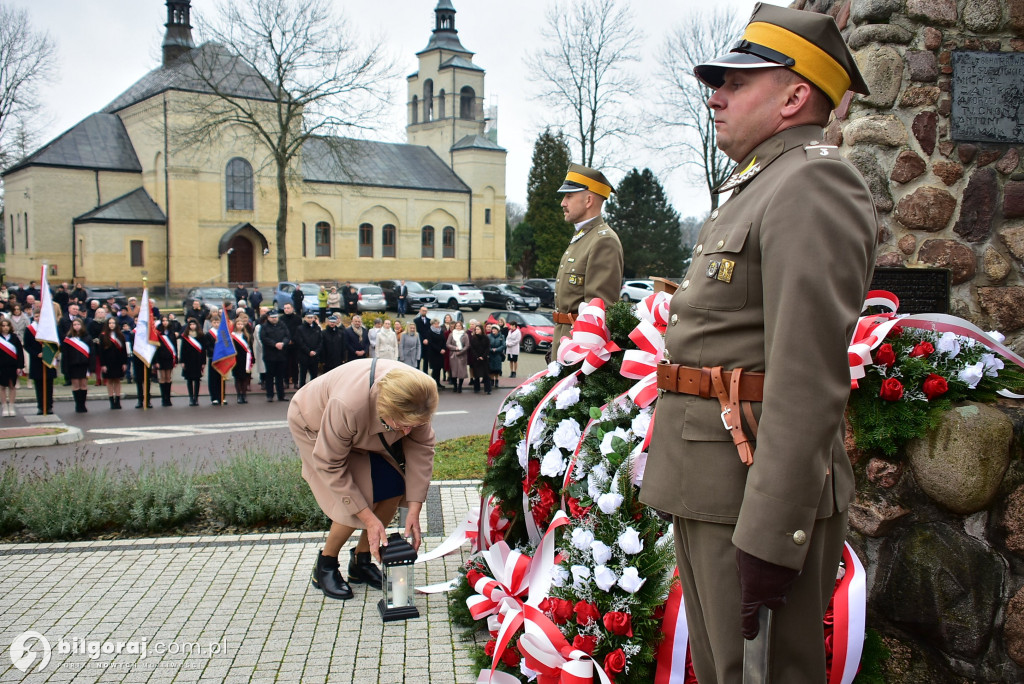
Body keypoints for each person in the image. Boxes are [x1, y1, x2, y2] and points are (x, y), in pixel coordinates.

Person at [639, 6, 877, 682]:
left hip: (750, 495)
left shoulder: (812, 182)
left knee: (759, 674)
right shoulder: (762, 183)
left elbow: (808, 377)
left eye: (737, 82)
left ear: (795, 96)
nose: (715, 96)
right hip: (712, 479)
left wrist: (774, 536)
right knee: (722, 670)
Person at [289, 359, 438, 600]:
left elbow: (421, 448)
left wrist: (414, 508)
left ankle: (361, 561)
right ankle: (325, 564)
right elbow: (330, 464)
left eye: (414, 425)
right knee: (356, 495)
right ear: (385, 408)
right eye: (403, 426)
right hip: (316, 425)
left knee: (393, 486)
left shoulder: (417, 395)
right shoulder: (348, 405)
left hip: (366, 427)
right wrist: (369, 519)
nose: (407, 433)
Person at [551, 163, 624, 358]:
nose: (563, 203)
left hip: (579, 352)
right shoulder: (583, 237)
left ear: (589, 200)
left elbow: (600, 313)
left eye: (569, 196)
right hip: (564, 344)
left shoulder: (603, 240)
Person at [24, 308, 56, 415]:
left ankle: (49, 406)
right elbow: (27, 345)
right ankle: (41, 407)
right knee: (39, 385)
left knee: (49, 384)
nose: (38, 318)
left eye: (40, 316)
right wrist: (36, 354)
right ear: (34, 317)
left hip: (48, 358)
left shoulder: (50, 328)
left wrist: (47, 353)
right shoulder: (29, 329)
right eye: (36, 316)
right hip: (36, 360)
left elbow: (54, 342)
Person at [62, 318, 93, 413]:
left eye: (78, 324)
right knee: (76, 385)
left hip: (84, 365)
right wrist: (65, 368)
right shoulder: (68, 339)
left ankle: (83, 405)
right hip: (73, 365)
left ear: (82, 325)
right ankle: (77, 405)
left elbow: (92, 353)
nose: (76, 326)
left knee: (83, 385)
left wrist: (91, 367)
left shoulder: (87, 338)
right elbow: (65, 355)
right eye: (74, 324)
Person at [259, 309, 289, 402]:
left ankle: (281, 395)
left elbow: (287, 336)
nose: (274, 319)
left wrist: (283, 343)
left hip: (281, 355)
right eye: (272, 317)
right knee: (270, 376)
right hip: (270, 355)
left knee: (280, 376)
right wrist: (274, 344)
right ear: (268, 318)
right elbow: (263, 338)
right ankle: (270, 395)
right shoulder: (264, 327)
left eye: (275, 317)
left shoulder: (282, 325)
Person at [98, 316, 128, 410]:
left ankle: (118, 400)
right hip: (107, 362)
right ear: (107, 324)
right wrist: (103, 364)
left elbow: (124, 351)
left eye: (113, 323)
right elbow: (101, 352)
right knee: (110, 381)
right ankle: (111, 400)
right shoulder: (103, 336)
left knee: (117, 380)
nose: (111, 325)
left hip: (118, 362)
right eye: (110, 323)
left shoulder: (120, 336)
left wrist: (124, 363)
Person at [0, 318, 25, 416]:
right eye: (3, 325)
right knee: (2, 386)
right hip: (1, 366)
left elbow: (20, 353)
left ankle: (11, 405)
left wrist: (20, 366)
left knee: (12, 386)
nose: (5, 328)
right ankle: (4, 406)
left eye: (7, 325)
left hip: (13, 366)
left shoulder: (14, 337)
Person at [180, 318, 206, 407]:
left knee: (197, 379)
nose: (192, 326)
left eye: (194, 324)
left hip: (198, 360)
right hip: (188, 361)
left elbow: (203, 350)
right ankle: (191, 397)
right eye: (190, 324)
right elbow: (182, 349)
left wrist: (203, 362)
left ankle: (196, 398)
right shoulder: (185, 336)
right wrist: (182, 361)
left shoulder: (201, 335)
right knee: (189, 379)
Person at [153, 316, 178, 407]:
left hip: (169, 358)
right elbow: (155, 348)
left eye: (166, 320)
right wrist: (156, 361)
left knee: (168, 377)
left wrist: (176, 359)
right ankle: (163, 398)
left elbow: (175, 347)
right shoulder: (158, 334)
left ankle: (168, 398)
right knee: (162, 378)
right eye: (163, 320)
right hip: (160, 358)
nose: (165, 322)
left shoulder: (171, 333)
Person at [295, 311, 323, 387]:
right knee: (303, 376)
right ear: (305, 318)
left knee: (314, 376)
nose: (310, 319)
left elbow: (321, 341)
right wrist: (308, 351)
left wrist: (316, 351)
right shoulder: (300, 328)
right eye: (308, 318)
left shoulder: (317, 328)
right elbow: (300, 342)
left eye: (312, 317)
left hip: (315, 356)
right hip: (304, 356)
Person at [231, 316, 254, 404]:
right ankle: (239, 395)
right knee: (237, 378)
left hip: (245, 359)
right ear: (235, 325)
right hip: (236, 358)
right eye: (238, 324)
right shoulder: (232, 336)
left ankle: (244, 395)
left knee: (245, 377)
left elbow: (250, 348)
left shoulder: (246, 336)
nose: (240, 326)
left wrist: (253, 358)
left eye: (241, 324)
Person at [205, 309, 225, 406]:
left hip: (222, 358)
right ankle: (214, 397)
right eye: (214, 322)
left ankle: (222, 396)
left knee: (221, 377)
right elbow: (208, 346)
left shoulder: (223, 334)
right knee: (213, 378)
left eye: (218, 322)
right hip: (213, 358)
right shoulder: (209, 334)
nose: (216, 324)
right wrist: (216, 352)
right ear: (211, 323)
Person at [280, 302, 301, 388]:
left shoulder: (297, 319)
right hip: (285, 345)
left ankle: (296, 381)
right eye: (285, 308)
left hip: (295, 345)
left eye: (288, 308)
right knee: (285, 364)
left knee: (295, 364)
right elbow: (281, 331)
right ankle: (286, 381)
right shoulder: (281, 319)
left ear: (292, 309)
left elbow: (299, 331)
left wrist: (293, 340)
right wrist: (286, 340)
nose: (286, 310)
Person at [445, 320, 468, 393]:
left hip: (462, 355)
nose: (458, 327)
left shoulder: (465, 335)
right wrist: (455, 348)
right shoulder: (451, 334)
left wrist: (461, 351)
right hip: (453, 355)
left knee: (461, 371)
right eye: (457, 326)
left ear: (462, 327)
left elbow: (467, 345)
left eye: (459, 326)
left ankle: (460, 386)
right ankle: (455, 386)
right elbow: (448, 344)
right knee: (453, 371)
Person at [424, 318, 446, 391]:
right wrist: (439, 350)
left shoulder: (441, 331)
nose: (437, 325)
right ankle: (433, 383)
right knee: (435, 368)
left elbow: (443, 340)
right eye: (435, 324)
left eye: (438, 323)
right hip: (433, 353)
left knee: (439, 368)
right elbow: (431, 343)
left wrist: (443, 348)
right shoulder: (429, 332)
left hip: (441, 353)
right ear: (432, 324)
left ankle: (438, 382)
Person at [468, 323, 490, 395]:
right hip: (476, 359)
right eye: (476, 329)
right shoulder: (473, 338)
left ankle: (487, 389)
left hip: (484, 359)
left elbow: (487, 348)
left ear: (481, 330)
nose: (476, 330)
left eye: (478, 329)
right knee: (476, 374)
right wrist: (477, 356)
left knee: (486, 374)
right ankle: (476, 388)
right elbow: (472, 348)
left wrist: (483, 356)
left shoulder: (486, 338)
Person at [413, 306, 432, 373]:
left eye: (425, 311)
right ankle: (417, 372)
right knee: (418, 358)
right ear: (420, 311)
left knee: (426, 360)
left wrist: (427, 339)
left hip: (427, 343)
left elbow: (430, 331)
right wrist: (423, 339)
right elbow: (417, 331)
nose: (424, 312)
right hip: (419, 342)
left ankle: (425, 373)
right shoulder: (416, 321)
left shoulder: (429, 321)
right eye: (423, 310)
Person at [488, 324, 506, 390]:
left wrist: (497, 349)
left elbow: (503, 345)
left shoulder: (502, 336)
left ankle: (497, 381)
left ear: (498, 330)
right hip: (491, 354)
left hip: (498, 355)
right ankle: (492, 381)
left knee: (497, 369)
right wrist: (491, 349)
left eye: (495, 329)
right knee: (491, 369)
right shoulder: (489, 336)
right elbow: (487, 345)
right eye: (492, 329)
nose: (493, 330)